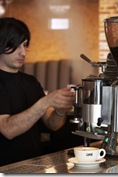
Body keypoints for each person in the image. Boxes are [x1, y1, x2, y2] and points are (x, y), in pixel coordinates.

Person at [0, 17, 75, 166]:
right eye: (16, 46)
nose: (23, 52)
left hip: (32, 165)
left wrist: (61, 109)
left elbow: (52, 124)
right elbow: (8, 129)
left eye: (25, 45)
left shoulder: (31, 82)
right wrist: (47, 100)